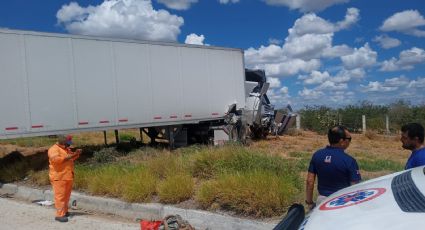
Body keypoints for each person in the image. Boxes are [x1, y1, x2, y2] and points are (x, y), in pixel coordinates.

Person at [305, 126, 361, 210]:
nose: (349, 142)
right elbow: (355, 187)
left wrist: (309, 202)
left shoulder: (317, 155)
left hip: (322, 202)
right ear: (341, 141)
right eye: (349, 139)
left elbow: (310, 181)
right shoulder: (349, 161)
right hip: (343, 202)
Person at [48, 135, 81, 222]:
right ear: (62, 142)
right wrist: (70, 156)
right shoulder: (53, 149)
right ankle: (59, 215)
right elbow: (56, 160)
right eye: (67, 143)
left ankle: (65, 212)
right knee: (60, 197)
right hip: (59, 177)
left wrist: (76, 154)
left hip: (68, 176)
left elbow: (71, 159)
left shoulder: (66, 149)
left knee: (66, 196)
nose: (69, 145)